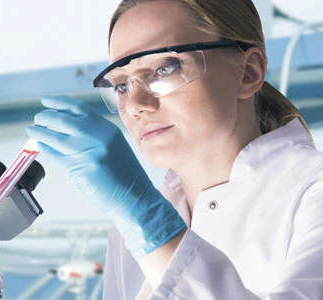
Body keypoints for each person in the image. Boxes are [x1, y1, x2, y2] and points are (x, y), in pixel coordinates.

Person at [27, 0, 323, 298]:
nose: (135, 105)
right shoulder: (130, 230)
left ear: (248, 73)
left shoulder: (312, 191)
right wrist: (140, 219)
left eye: (165, 68)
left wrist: (147, 221)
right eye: (121, 86)